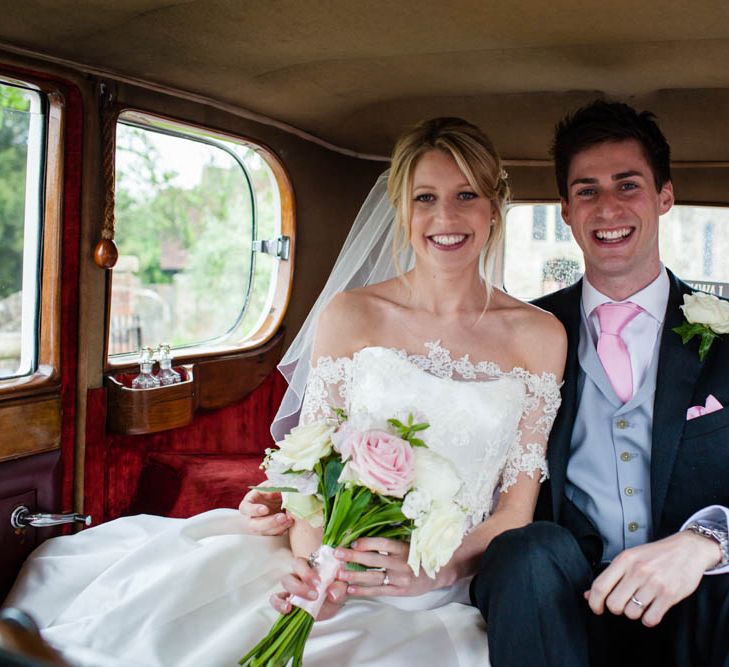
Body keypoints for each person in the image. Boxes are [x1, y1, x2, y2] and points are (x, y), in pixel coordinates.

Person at [5, 117, 566, 667]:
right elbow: (308, 461)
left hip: (441, 585)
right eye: (425, 197)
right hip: (326, 555)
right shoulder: (352, 315)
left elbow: (514, 511)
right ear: (401, 209)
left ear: (495, 207)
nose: (445, 216)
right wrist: (320, 567)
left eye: (466, 194)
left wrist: (438, 569)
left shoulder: (540, 337)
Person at [469, 101, 729, 667]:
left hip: (702, 598)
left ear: (664, 197)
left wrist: (707, 542)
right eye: (586, 190)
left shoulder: (727, 331)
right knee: (525, 552)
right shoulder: (520, 334)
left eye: (627, 185)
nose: (607, 207)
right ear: (565, 210)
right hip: (560, 593)